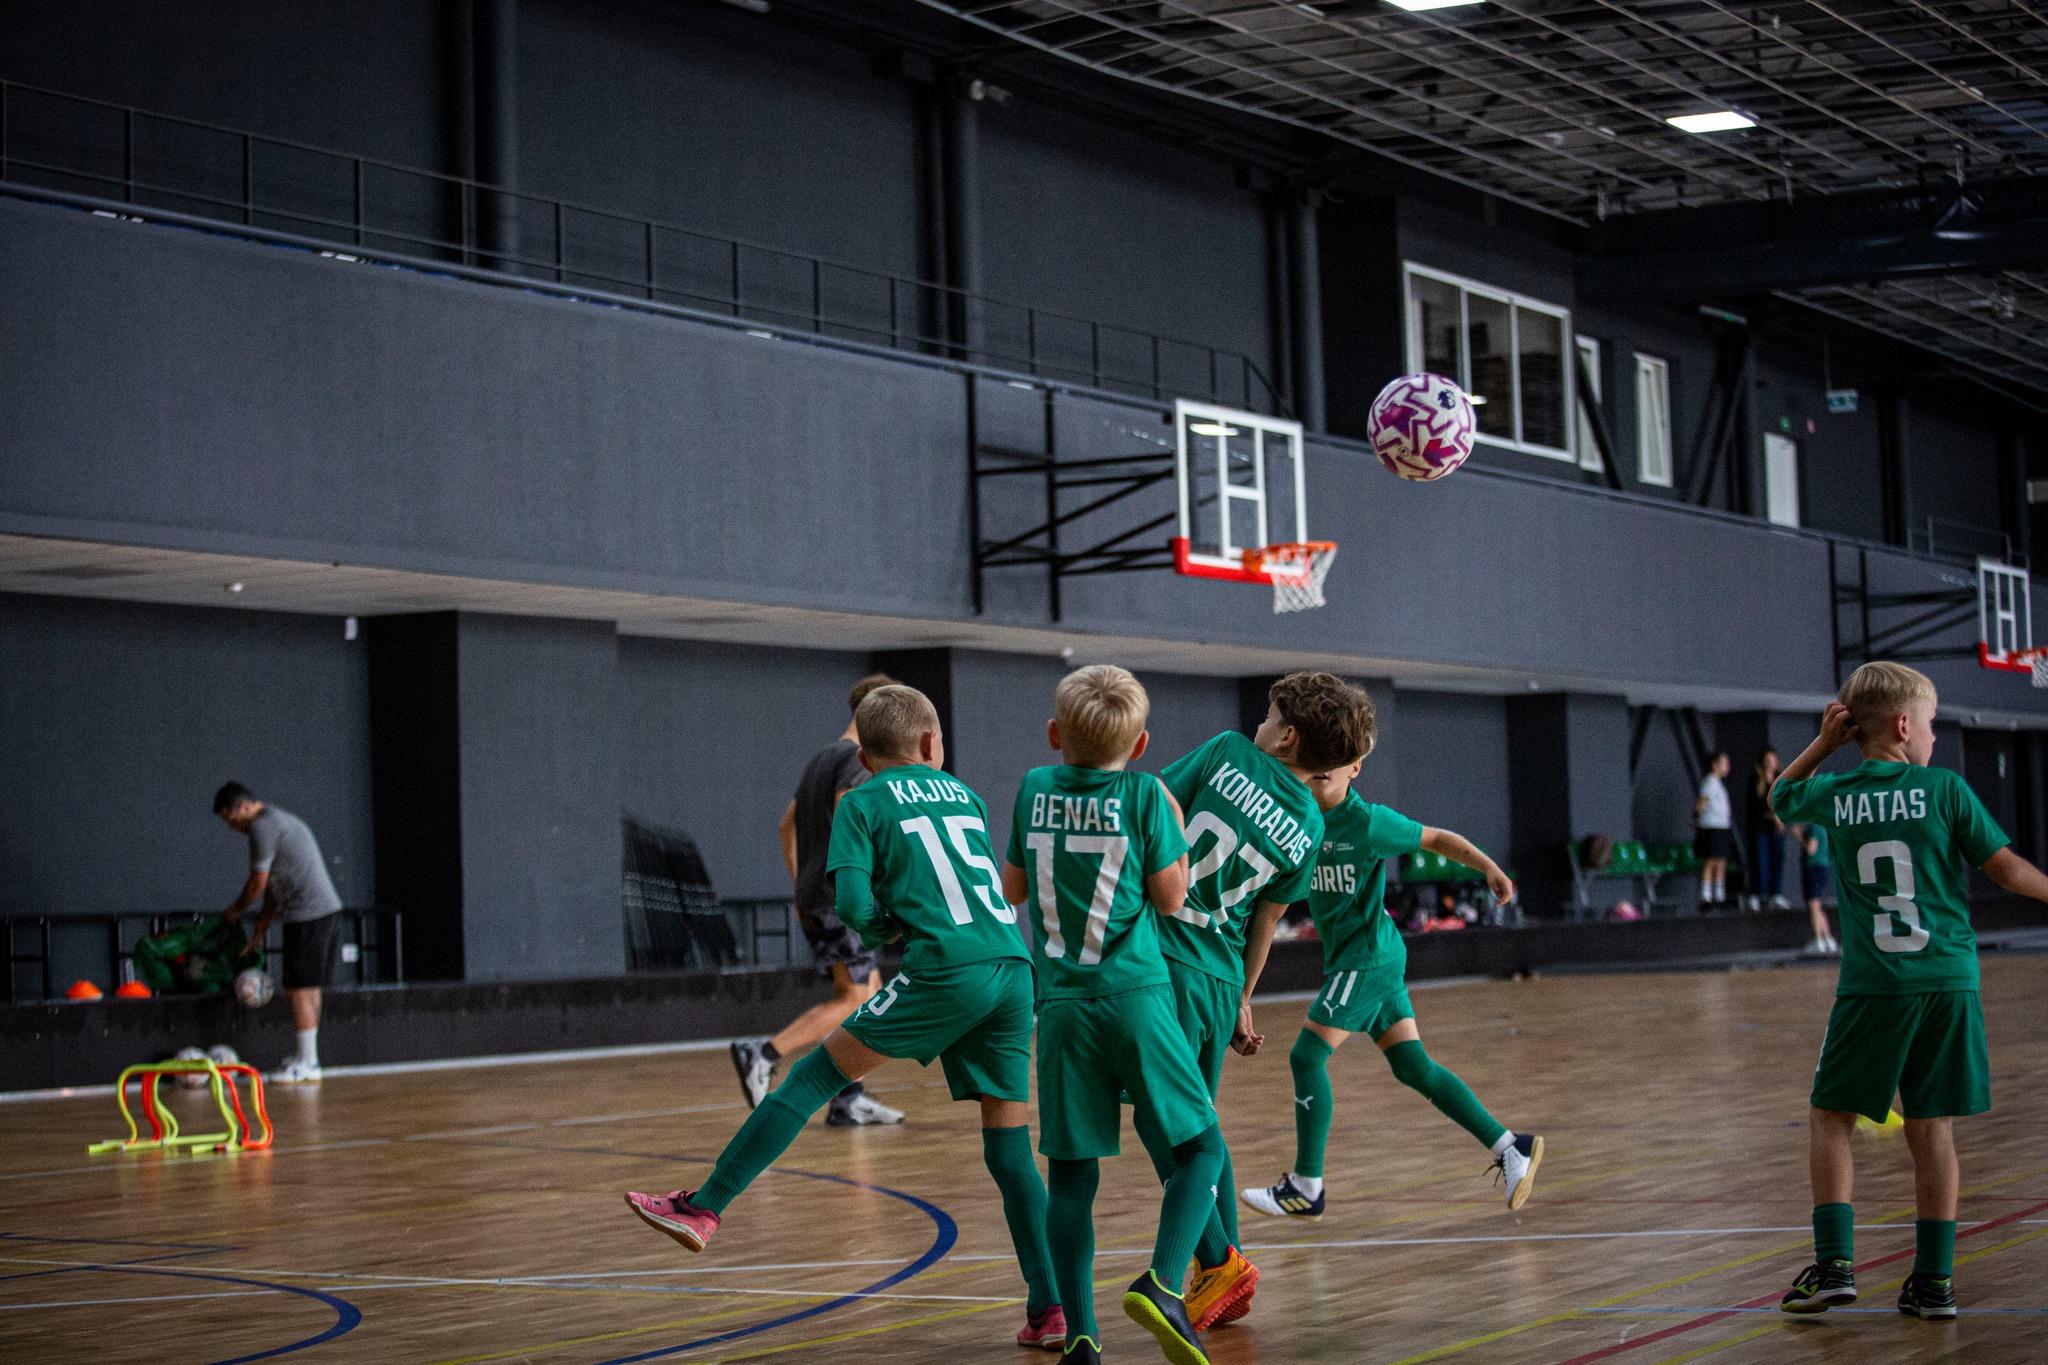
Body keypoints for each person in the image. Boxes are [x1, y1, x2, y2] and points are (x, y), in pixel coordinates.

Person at [625, 685, 1060, 1349]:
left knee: (809, 1080)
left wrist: (891, 928)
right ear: (931, 744)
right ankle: (1050, 1307)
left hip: (946, 969)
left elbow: (852, 905)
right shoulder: (966, 795)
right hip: (1012, 969)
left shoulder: (860, 802)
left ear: (866, 752)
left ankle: (704, 1206)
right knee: (1009, 1147)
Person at [1771, 662, 2048, 1321]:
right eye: (1931, 723)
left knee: (1831, 1117)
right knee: (1932, 1129)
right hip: (1949, 981)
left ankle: (1835, 1266)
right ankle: (1933, 1282)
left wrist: (1822, 746)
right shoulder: (1944, 788)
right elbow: (2006, 871)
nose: (1933, 735)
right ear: (1903, 726)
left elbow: (1781, 798)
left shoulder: (1837, 793)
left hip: (1874, 986)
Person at [1242, 707, 1543, 1223]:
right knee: (1413, 1067)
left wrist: (1488, 867)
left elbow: (1435, 839)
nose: (1320, 773)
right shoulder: (1299, 818)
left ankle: (1307, 1185)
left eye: (1332, 766)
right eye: (1315, 762)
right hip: (1363, 958)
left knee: (1306, 1056)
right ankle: (1510, 1145)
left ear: (1355, 768)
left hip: (1367, 959)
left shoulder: (1368, 823)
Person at [1003, 665, 1223, 1365]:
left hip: (1061, 1008)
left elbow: (1013, 888)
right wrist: (1175, 831)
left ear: (1054, 733)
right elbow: (1171, 898)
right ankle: (1163, 1282)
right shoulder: (1147, 794)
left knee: (1072, 1177)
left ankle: (1081, 1338)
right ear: (1142, 743)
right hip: (1137, 999)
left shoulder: (1032, 787)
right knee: (1202, 1149)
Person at [1140, 672, 1369, 1335]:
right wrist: (1243, 997)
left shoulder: (1227, 751)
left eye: (1268, 715)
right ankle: (1224, 1270)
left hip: (1163, 956)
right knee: (1198, 1124)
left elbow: (1155, 804)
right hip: (1219, 978)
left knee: (1173, 1129)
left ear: (1287, 735)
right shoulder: (1309, 826)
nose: (1258, 724)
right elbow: (1264, 923)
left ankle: (1220, 1263)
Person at [729, 673, 904, 1127]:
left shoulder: (822, 758)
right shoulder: (858, 760)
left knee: (870, 996)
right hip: (839, 897)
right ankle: (763, 1053)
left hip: (815, 894)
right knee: (854, 998)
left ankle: (849, 1098)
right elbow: (850, 810)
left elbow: (786, 823)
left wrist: (799, 883)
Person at [213, 783, 343, 1083]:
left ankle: (308, 1062)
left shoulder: (263, 826)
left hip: (309, 914)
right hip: (320, 913)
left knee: (299, 988)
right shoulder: (276, 821)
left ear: (243, 807)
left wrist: (236, 910)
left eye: (231, 819)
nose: (233, 828)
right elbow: (273, 883)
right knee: (308, 986)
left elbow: (258, 882)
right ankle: (306, 1057)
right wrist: (262, 922)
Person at [1745, 748, 1789, 911]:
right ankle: (1756, 894)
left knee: (1777, 859)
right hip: (1760, 827)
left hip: (1777, 830)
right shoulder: (1756, 780)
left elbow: (1785, 801)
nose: (1770, 762)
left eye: (1772, 759)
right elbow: (1756, 805)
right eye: (1767, 759)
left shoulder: (1781, 779)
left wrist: (1780, 818)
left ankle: (1775, 894)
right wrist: (1773, 816)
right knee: (1759, 860)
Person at [1694, 751, 1733, 909]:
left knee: (1721, 861)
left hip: (1721, 826)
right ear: (1715, 765)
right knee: (1710, 861)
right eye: (1724, 763)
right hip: (1711, 826)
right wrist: (1697, 818)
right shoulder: (1710, 781)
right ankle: (1706, 896)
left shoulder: (1717, 783)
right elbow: (1701, 802)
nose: (1727, 767)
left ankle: (1719, 894)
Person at [1795, 822, 1840, 956]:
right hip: (1823, 867)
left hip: (1814, 867)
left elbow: (1811, 849)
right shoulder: (1824, 826)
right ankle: (1827, 939)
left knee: (1813, 904)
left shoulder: (1815, 826)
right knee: (1817, 904)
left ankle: (1818, 940)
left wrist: (1799, 836)